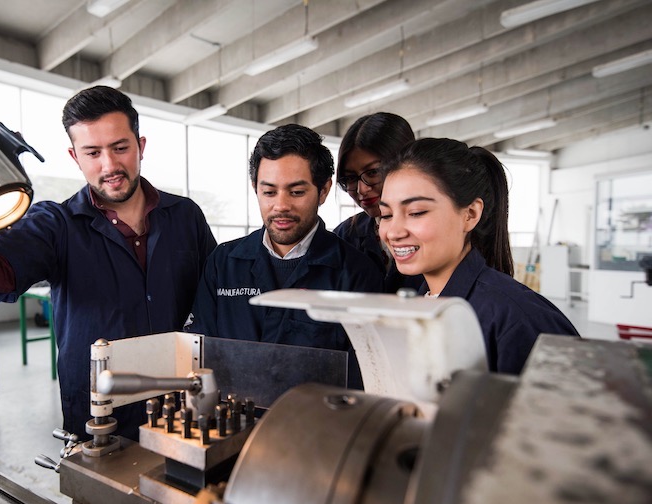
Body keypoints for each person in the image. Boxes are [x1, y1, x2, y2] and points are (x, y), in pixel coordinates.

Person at [0, 86, 217, 440]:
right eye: (93, 152)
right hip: (100, 415)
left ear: (140, 146)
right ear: (75, 157)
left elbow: (217, 296)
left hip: (183, 400)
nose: (110, 165)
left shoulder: (185, 217)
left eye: (121, 148)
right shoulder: (56, 225)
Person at [186, 124, 384, 389]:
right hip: (232, 424)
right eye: (269, 192)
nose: (280, 206)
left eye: (297, 192)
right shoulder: (223, 263)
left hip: (314, 426)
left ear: (323, 190)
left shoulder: (355, 274)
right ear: (255, 187)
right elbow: (202, 356)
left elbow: (364, 379)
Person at [377, 137, 579, 375]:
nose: (394, 232)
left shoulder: (519, 318)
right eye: (386, 215)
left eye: (416, 212)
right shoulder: (422, 303)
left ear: (470, 214)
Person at [334, 112, 422, 292]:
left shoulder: (435, 233)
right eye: (350, 178)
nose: (361, 189)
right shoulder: (345, 237)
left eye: (373, 172)